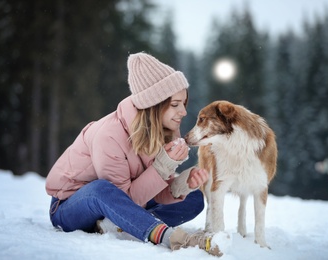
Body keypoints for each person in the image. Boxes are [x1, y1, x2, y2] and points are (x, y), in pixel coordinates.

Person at [45, 52, 223, 256]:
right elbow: (126, 198)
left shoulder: (161, 131)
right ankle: (168, 237)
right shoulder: (109, 136)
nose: (183, 111)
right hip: (71, 206)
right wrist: (162, 166)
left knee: (193, 199)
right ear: (153, 105)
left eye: (184, 103)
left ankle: (122, 226)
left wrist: (183, 183)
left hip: (121, 203)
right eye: (175, 105)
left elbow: (150, 190)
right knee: (101, 189)